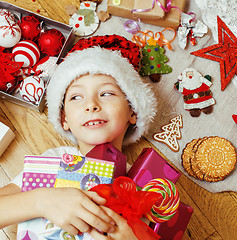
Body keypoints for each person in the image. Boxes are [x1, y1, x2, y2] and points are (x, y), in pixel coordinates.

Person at [0, 35, 157, 239]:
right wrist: (42, 201)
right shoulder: (55, 161)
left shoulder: (144, 187)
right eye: (76, 97)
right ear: (64, 119)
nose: (91, 104)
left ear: (133, 112)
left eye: (107, 93)